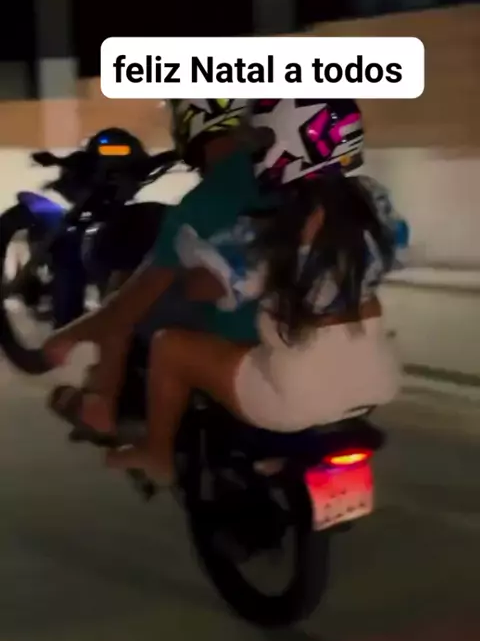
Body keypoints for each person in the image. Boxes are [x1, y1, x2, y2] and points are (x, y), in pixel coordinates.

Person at [105, 98, 403, 485]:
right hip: (378, 375)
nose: (257, 150)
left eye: (265, 139)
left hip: (299, 393)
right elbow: (393, 250)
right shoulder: (374, 204)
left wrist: (186, 279)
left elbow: (216, 284)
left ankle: (156, 454)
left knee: (169, 346)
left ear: (289, 143)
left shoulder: (278, 223)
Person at [45, 98, 276, 442]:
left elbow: (130, 305)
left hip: (240, 333)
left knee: (126, 294)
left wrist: (67, 336)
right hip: (291, 322)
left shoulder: (195, 208)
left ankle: (103, 403)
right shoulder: (285, 179)